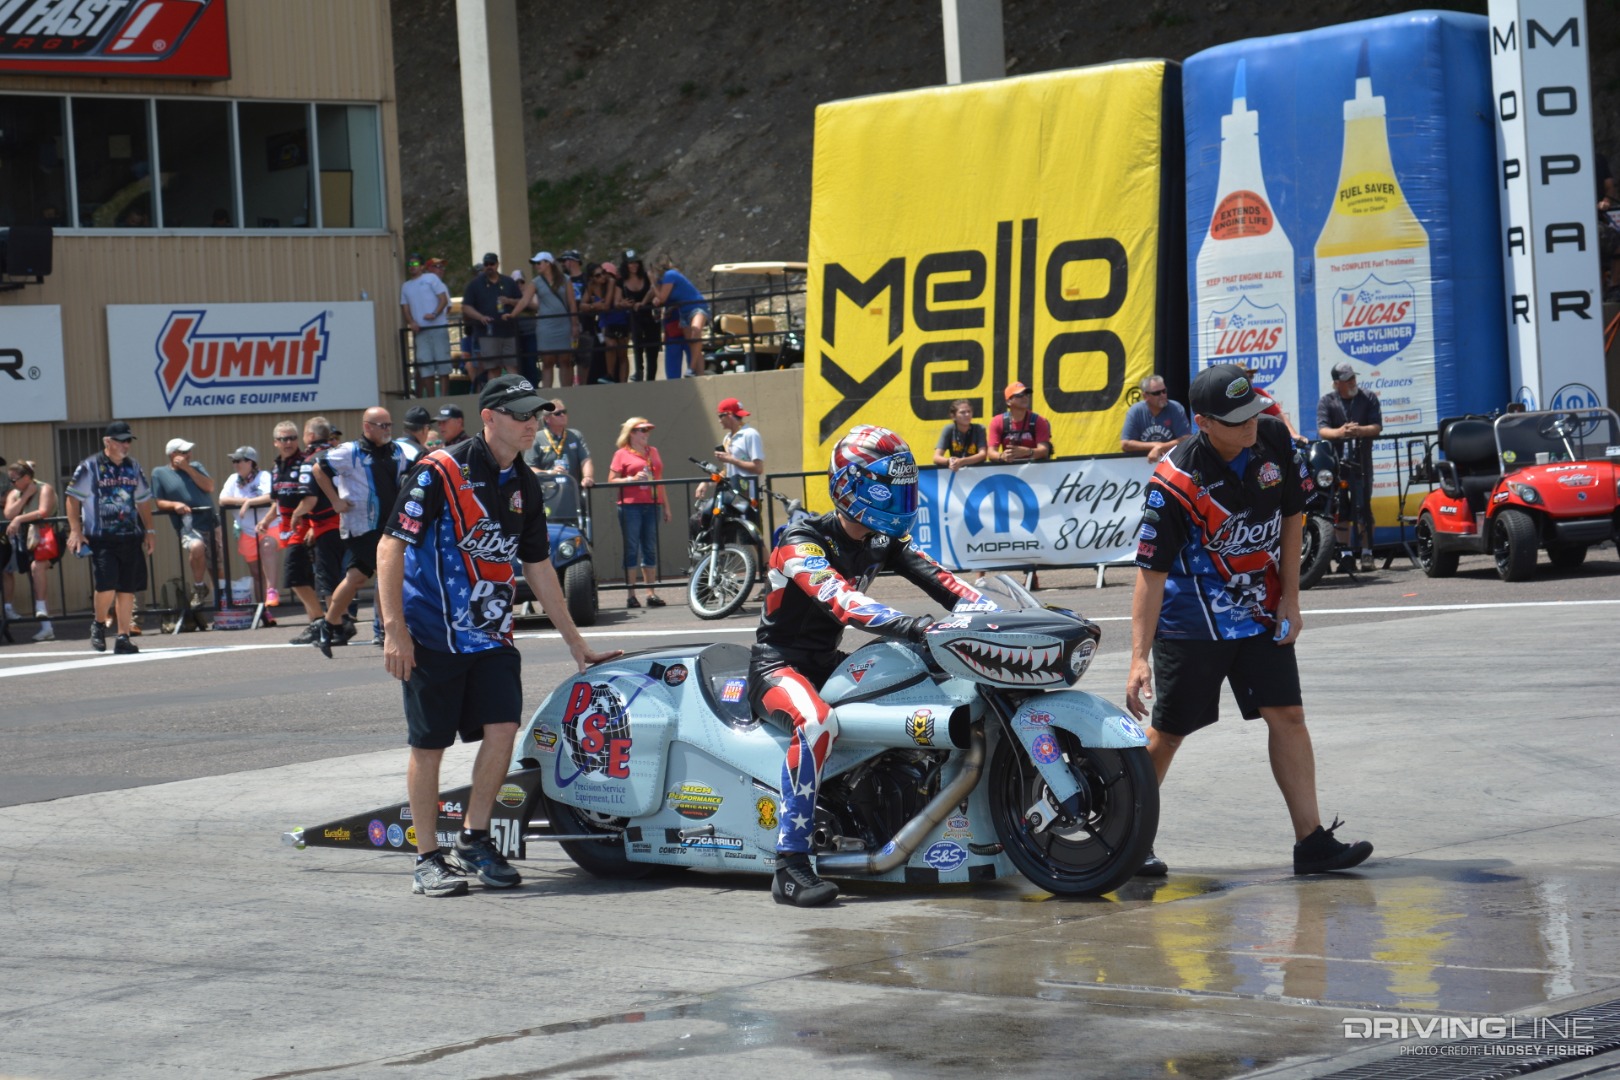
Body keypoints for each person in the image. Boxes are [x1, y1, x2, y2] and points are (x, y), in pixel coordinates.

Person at [1125, 363, 1373, 879]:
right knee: (1169, 734)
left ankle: (1311, 842)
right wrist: (1138, 658)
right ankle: (1125, 839)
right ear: (1203, 423)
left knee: (1289, 715)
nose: (1251, 424)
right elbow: (1151, 574)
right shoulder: (1173, 481)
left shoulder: (1274, 438)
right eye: (1237, 419)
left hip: (1260, 611)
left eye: (1254, 412)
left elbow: (1293, 517)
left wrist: (1291, 601)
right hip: (1193, 621)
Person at [378, 374, 622, 897]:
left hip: (491, 635)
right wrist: (395, 631)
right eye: (522, 414)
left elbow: (539, 567)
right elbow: (390, 546)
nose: (533, 423)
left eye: (537, 414)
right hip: (431, 634)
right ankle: (426, 858)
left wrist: (575, 642)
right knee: (430, 745)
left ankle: (474, 837)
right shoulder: (439, 471)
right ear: (489, 418)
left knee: (503, 728)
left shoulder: (525, 483)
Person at [754, 425, 983, 906]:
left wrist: (996, 616)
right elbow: (843, 602)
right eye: (887, 487)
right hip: (778, 667)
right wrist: (913, 626)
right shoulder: (801, 540)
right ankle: (790, 863)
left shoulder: (883, 538)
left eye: (903, 487)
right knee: (815, 722)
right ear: (850, 486)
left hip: (828, 663)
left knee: (928, 677)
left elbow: (944, 581)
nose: (899, 498)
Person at [309, 407, 411, 654]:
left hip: (388, 526)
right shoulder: (350, 451)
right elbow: (318, 469)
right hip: (362, 527)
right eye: (382, 425)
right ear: (367, 427)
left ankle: (328, 625)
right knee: (389, 573)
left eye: (389, 425)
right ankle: (389, 631)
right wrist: (335, 500)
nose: (387, 430)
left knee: (356, 577)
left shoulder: (396, 451)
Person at [65, 421, 156, 655]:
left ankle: (123, 637)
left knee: (127, 589)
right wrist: (75, 530)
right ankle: (98, 623)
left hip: (130, 536)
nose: (126, 445)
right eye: (121, 441)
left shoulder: (133, 467)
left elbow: (143, 500)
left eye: (128, 441)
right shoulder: (89, 467)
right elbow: (72, 498)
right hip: (102, 537)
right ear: (108, 442)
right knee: (106, 585)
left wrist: (150, 531)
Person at [1316, 362, 1383, 573]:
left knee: (1363, 508)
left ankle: (1367, 554)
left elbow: (1377, 427)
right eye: (1348, 380)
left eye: (1354, 377)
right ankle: (1345, 556)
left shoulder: (1368, 397)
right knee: (1341, 510)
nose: (1353, 382)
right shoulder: (1327, 401)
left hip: (1361, 464)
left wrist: (1359, 431)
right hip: (1338, 466)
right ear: (1337, 383)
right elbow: (1323, 430)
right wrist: (1341, 432)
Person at [289, 417, 346, 638]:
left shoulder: (310, 461)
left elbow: (310, 500)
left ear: (310, 436)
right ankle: (342, 621)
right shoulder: (338, 455)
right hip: (348, 523)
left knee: (329, 580)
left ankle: (337, 626)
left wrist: (296, 514)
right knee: (347, 577)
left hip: (326, 527)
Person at [150, 437, 220, 608]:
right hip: (188, 523)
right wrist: (175, 505)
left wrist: (188, 469)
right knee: (196, 547)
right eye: (184, 452)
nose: (189, 455)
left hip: (210, 521)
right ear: (173, 454)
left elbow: (209, 486)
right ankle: (199, 587)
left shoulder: (196, 466)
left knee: (217, 563)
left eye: (189, 451)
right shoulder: (159, 473)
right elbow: (159, 502)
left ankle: (222, 603)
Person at [608, 417, 671, 609]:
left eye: (647, 430)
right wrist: (631, 479)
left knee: (649, 547)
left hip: (652, 505)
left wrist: (666, 506)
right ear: (631, 433)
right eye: (642, 430)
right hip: (630, 506)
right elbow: (611, 480)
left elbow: (660, 480)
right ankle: (631, 595)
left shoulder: (653, 451)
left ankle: (651, 593)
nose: (646, 433)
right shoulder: (621, 454)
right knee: (631, 548)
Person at [217, 447, 278, 611]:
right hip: (248, 531)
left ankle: (272, 591)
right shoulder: (233, 479)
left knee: (266, 548)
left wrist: (250, 502)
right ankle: (263, 611)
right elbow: (222, 500)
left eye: (239, 460)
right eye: (234, 461)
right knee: (256, 573)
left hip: (268, 526)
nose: (235, 464)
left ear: (251, 462)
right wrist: (244, 501)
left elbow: (271, 496)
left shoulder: (263, 476)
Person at [3, 460, 58, 641]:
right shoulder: (15, 493)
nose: (12, 483)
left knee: (37, 567)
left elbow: (43, 511)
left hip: (48, 539)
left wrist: (19, 519)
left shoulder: (45, 488)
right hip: (27, 541)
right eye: (10, 480)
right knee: (34, 577)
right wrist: (25, 495)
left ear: (26, 477)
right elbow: (9, 514)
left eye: (14, 479)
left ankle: (41, 607)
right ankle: (46, 627)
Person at [514, 252, 578, 388]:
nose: (536, 266)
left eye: (539, 263)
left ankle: (567, 392)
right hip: (545, 326)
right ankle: (547, 393)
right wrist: (512, 315)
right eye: (535, 263)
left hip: (563, 324)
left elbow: (572, 303)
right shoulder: (535, 282)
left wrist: (574, 325)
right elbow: (525, 301)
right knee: (547, 361)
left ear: (548, 263)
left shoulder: (566, 280)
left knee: (565, 360)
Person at [461, 252, 523, 384]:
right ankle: (494, 394)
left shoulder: (509, 282)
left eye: (492, 264)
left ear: (497, 264)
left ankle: (517, 393)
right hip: (487, 332)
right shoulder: (475, 284)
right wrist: (480, 317)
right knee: (493, 368)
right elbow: (466, 307)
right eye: (486, 264)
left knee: (512, 366)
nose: (489, 266)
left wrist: (509, 301)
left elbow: (521, 301)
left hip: (509, 331)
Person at [401, 252, 452, 398]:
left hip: (438, 327)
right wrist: (411, 322)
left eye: (415, 263)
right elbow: (405, 307)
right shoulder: (405, 286)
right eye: (410, 264)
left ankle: (444, 397)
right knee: (425, 365)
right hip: (421, 331)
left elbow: (443, 300)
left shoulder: (431, 278)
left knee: (443, 362)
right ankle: (431, 398)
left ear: (422, 266)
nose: (412, 266)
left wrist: (434, 314)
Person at [653, 254, 711, 377]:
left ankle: (691, 369)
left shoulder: (670, 275)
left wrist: (652, 283)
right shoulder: (663, 281)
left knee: (696, 331)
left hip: (696, 307)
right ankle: (700, 374)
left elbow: (662, 298)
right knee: (692, 345)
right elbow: (657, 296)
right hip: (684, 312)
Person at [523, 397, 595, 493]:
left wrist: (588, 477)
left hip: (572, 493)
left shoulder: (575, 436)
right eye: (557, 413)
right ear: (547, 418)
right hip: (547, 493)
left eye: (564, 412)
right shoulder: (537, 438)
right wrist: (550, 473)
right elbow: (529, 468)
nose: (562, 415)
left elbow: (585, 460)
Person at [1120, 374, 1192, 462]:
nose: (1162, 395)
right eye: (1157, 393)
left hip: (1172, 462)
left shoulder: (1176, 408)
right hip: (1142, 463)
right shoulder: (1136, 411)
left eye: (1164, 391)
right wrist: (1156, 446)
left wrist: (1162, 447)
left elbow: (1186, 438)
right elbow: (1125, 444)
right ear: (1145, 396)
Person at [619, 250, 660, 382]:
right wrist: (622, 303)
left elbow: (654, 289)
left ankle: (651, 379)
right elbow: (617, 299)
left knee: (652, 350)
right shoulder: (621, 281)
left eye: (636, 262)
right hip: (634, 318)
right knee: (637, 347)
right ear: (625, 265)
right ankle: (639, 373)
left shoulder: (647, 275)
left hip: (650, 316)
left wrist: (643, 302)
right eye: (630, 263)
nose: (634, 265)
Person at [988, 382, 1052, 463]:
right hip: (1009, 468)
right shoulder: (998, 421)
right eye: (1019, 395)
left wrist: (1028, 452)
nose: (1024, 397)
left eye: (1026, 394)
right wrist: (1002, 456)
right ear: (1008, 401)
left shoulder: (1039, 421)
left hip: (1035, 468)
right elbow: (991, 453)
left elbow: (1044, 451)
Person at [595, 262, 630, 383]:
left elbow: (615, 303)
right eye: (602, 274)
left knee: (622, 355)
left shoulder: (618, 288)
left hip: (620, 322)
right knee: (610, 347)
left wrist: (620, 304)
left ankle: (623, 382)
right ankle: (610, 376)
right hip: (606, 323)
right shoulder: (596, 288)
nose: (605, 277)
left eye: (608, 274)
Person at [932, 399, 988, 471]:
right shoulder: (949, 429)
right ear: (953, 416)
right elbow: (936, 457)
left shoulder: (979, 428)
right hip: (956, 471)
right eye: (962, 412)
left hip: (977, 471)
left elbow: (983, 455)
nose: (967, 415)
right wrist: (949, 461)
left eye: (969, 411)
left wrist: (962, 461)